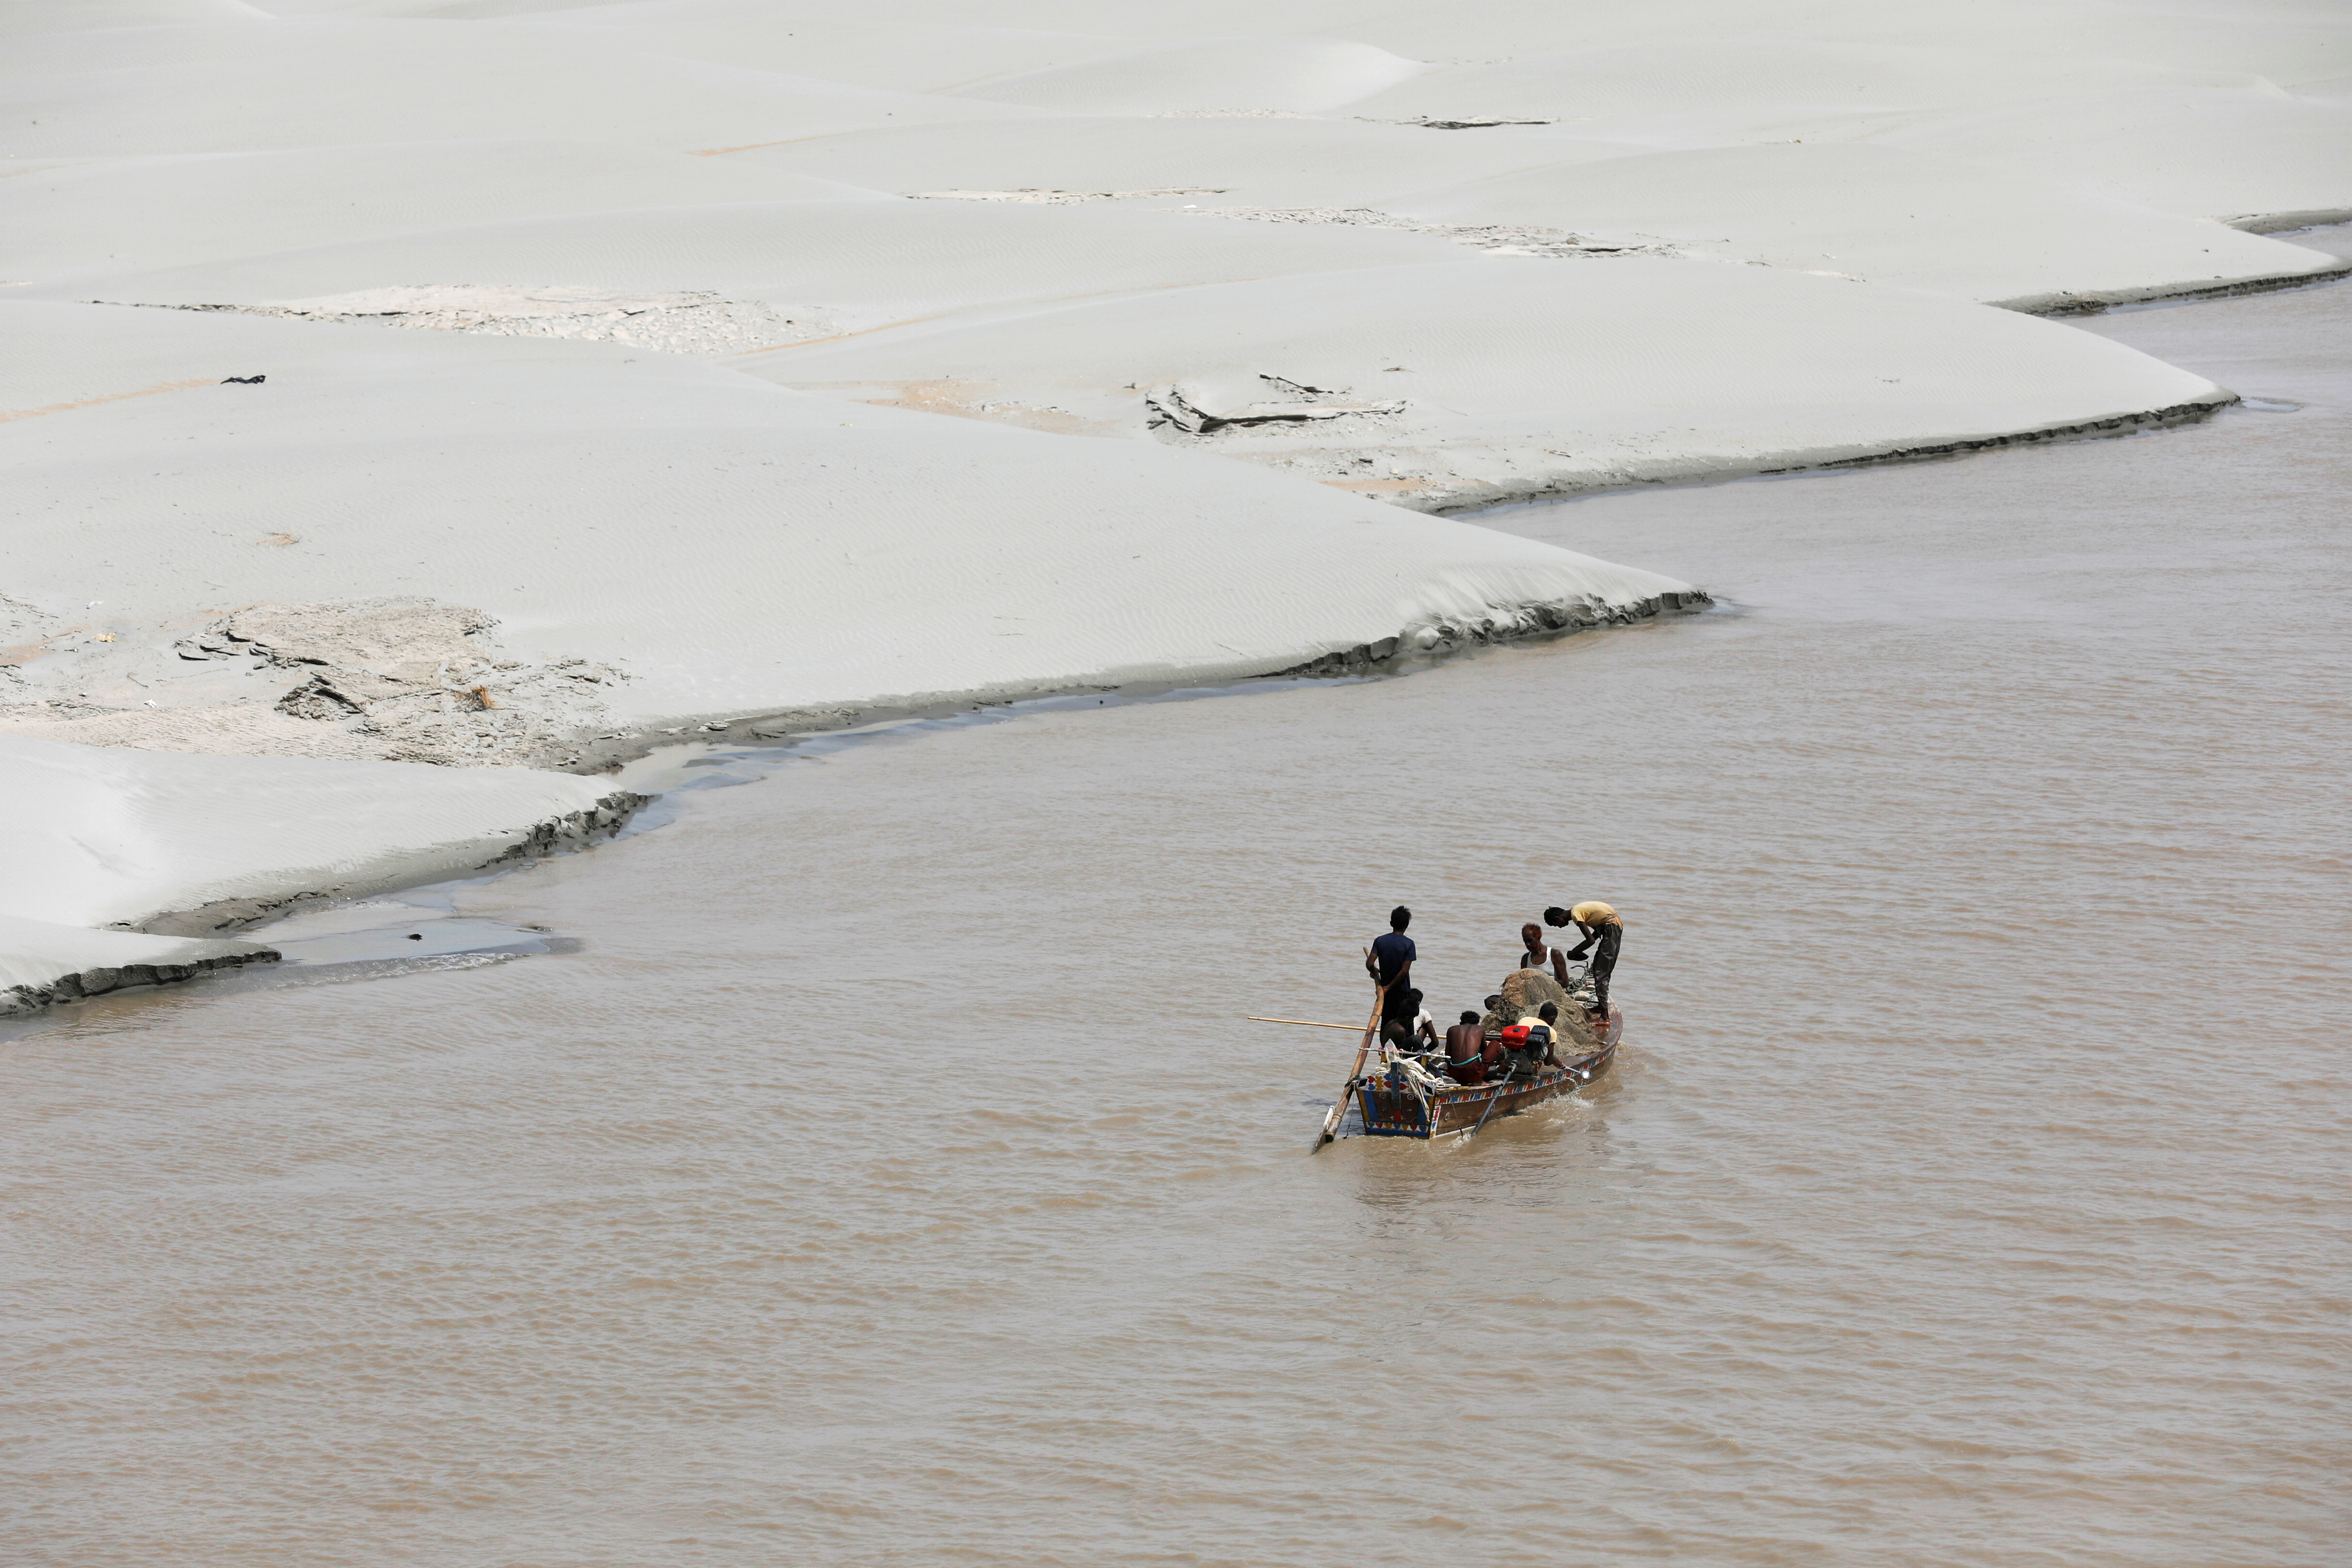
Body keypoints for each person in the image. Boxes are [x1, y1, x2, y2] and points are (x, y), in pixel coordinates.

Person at [1546, 901, 1622, 1020]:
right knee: (1598, 967)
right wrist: (1575, 952)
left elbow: (1591, 940)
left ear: (1558, 918)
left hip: (1612, 928)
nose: (1560, 927)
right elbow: (1597, 933)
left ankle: (1605, 1016)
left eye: (1557, 925)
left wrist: (1574, 952)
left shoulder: (1576, 915)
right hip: (1609, 927)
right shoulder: (1578, 911)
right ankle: (1601, 1007)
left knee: (1601, 973)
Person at [1365, 905, 1416, 1036]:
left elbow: (1370, 963)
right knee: (1406, 1026)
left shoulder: (1380, 941)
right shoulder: (1409, 944)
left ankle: (1384, 1052)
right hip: (1402, 992)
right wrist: (1389, 987)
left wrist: (1374, 971)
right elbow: (1404, 971)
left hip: (1386, 993)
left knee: (1387, 1023)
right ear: (1407, 925)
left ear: (1391, 923)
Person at [1518, 920, 1570, 986]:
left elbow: (1565, 982)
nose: (1528, 944)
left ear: (1538, 937)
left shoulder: (1554, 955)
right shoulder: (1526, 959)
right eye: (1525, 942)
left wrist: (1543, 986)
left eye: (1530, 941)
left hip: (1553, 991)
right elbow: (1523, 981)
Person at [1443, 1010, 1487, 1084]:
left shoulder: (1451, 1030)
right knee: (1495, 1044)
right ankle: (1478, 1081)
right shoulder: (1480, 1029)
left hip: (1455, 1073)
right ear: (1476, 1024)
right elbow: (1485, 1053)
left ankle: (1462, 1079)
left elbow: (1447, 1056)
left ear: (1461, 1023)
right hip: (1474, 1073)